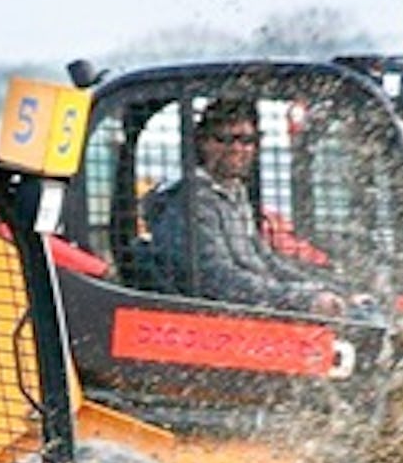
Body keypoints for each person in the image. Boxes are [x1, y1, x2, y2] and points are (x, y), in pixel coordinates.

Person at [140, 98, 350, 317]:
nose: (236, 149)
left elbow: (266, 260)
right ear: (202, 143)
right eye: (224, 139)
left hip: (250, 306)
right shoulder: (191, 201)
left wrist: (331, 289)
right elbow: (217, 278)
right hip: (215, 320)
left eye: (246, 140)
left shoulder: (232, 193)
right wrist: (302, 300)